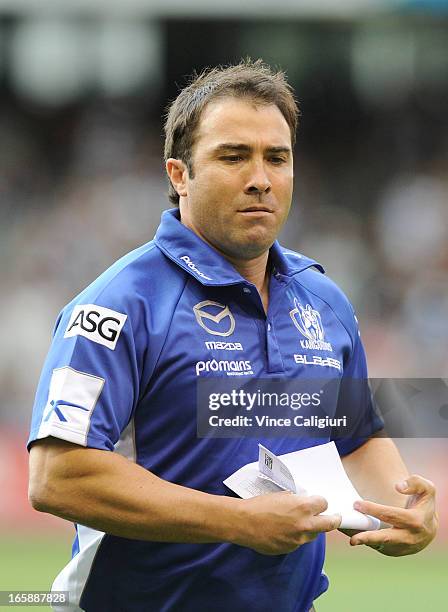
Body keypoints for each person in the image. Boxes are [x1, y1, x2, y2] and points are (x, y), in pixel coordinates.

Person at [28, 60, 437, 612]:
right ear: (179, 175)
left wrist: (402, 506)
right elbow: (58, 477)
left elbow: (356, 432)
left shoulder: (324, 302)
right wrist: (237, 522)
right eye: (233, 156)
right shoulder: (120, 303)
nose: (261, 178)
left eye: (277, 157)